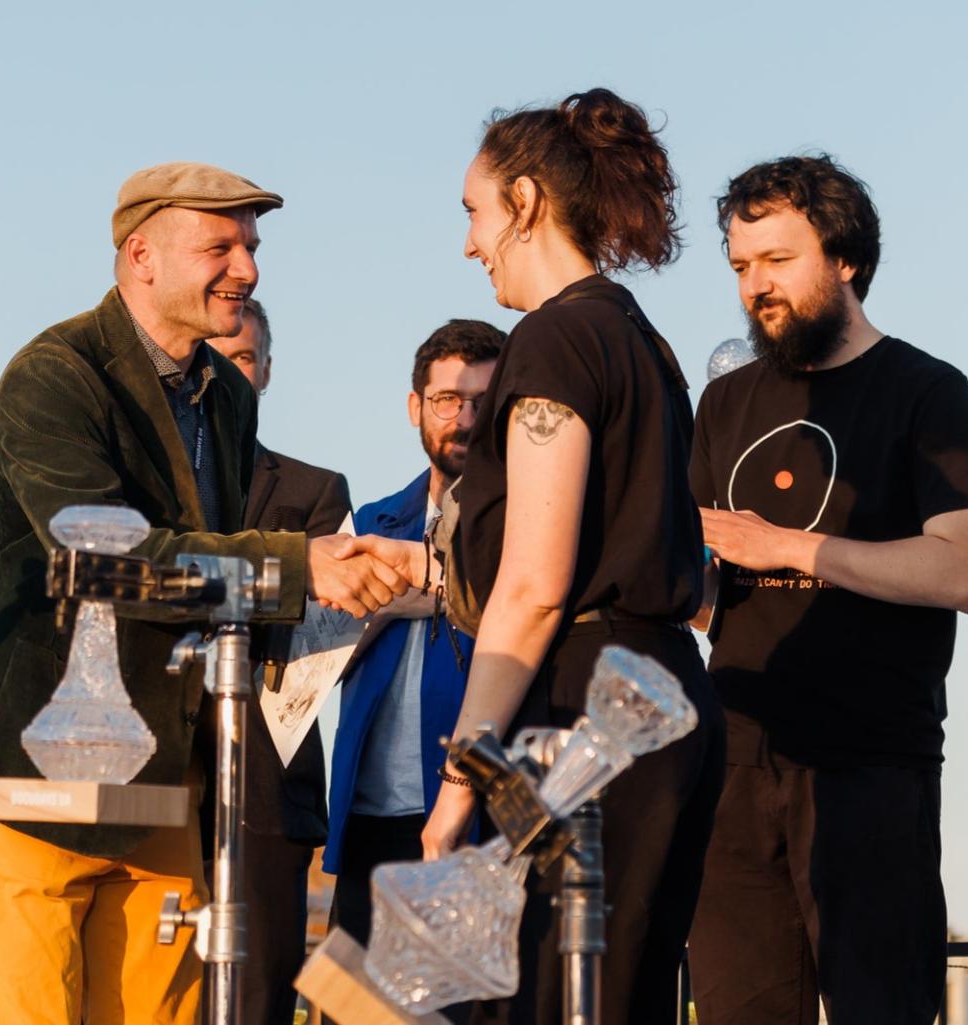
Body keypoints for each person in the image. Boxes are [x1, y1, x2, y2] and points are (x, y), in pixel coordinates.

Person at [0, 162, 407, 1025]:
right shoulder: (52, 375)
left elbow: (211, 579)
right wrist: (300, 566)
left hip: (161, 781)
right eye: (219, 246)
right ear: (140, 255)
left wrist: (364, 590)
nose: (248, 268)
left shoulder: (226, 395)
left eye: (252, 246)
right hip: (37, 780)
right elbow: (108, 556)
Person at [351, 88, 724, 1025]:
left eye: (473, 213)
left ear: (522, 201)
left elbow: (534, 582)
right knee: (615, 994)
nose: (469, 244)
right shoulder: (642, 338)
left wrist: (457, 781)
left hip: (585, 716)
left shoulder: (555, 338)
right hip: (665, 701)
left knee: (551, 1000)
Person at [685, 155, 968, 1025]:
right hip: (737, 766)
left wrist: (790, 545)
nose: (756, 286)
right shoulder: (722, 406)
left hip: (870, 761)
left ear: (844, 259)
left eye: (778, 261)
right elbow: (714, 594)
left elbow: (965, 568)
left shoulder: (926, 391)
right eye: (741, 267)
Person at [325, 318, 504, 948]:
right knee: (349, 1012)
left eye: (483, 402)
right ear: (415, 408)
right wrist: (393, 605)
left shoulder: (528, 528)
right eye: (447, 400)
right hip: (368, 818)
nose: (464, 418)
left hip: (472, 817)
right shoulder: (373, 520)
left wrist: (425, 593)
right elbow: (314, 649)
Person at [202, 298, 351, 1025]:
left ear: (264, 371)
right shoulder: (152, 491)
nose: (231, 372)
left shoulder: (314, 491)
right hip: (155, 778)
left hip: (266, 779)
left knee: (257, 997)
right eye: (216, 356)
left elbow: (325, 625)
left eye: (244, 358)